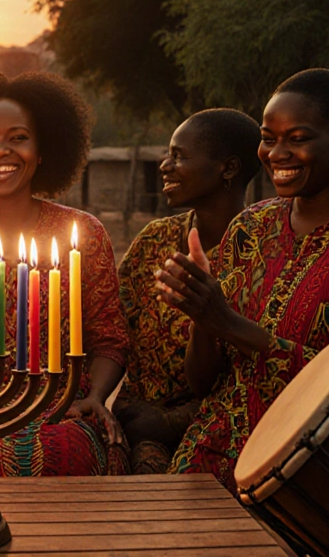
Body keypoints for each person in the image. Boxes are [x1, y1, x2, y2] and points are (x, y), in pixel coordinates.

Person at [155, 68, 329, 487]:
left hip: (318, 460)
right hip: (216, 450)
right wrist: (203, 315)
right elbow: (202, 381)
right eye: (268, 138)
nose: (277, 153)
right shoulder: (250, 227)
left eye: (297, 139)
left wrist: (228, 322)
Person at [0, 71, 130, 476]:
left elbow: (109, 338)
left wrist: (97, 397)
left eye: (18, 137)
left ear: (43, 149)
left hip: (61, 408)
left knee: (66, 452)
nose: (0, 151)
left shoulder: (83, 235)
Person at [114, 108, 261, 474]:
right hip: (132, 419)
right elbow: (113, 331)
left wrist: (172, 422)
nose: (165, 166)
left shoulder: (260, 253)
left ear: (228, 169)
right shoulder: (154, 242)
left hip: (221, 430)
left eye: (178, 156)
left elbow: (257, 371)